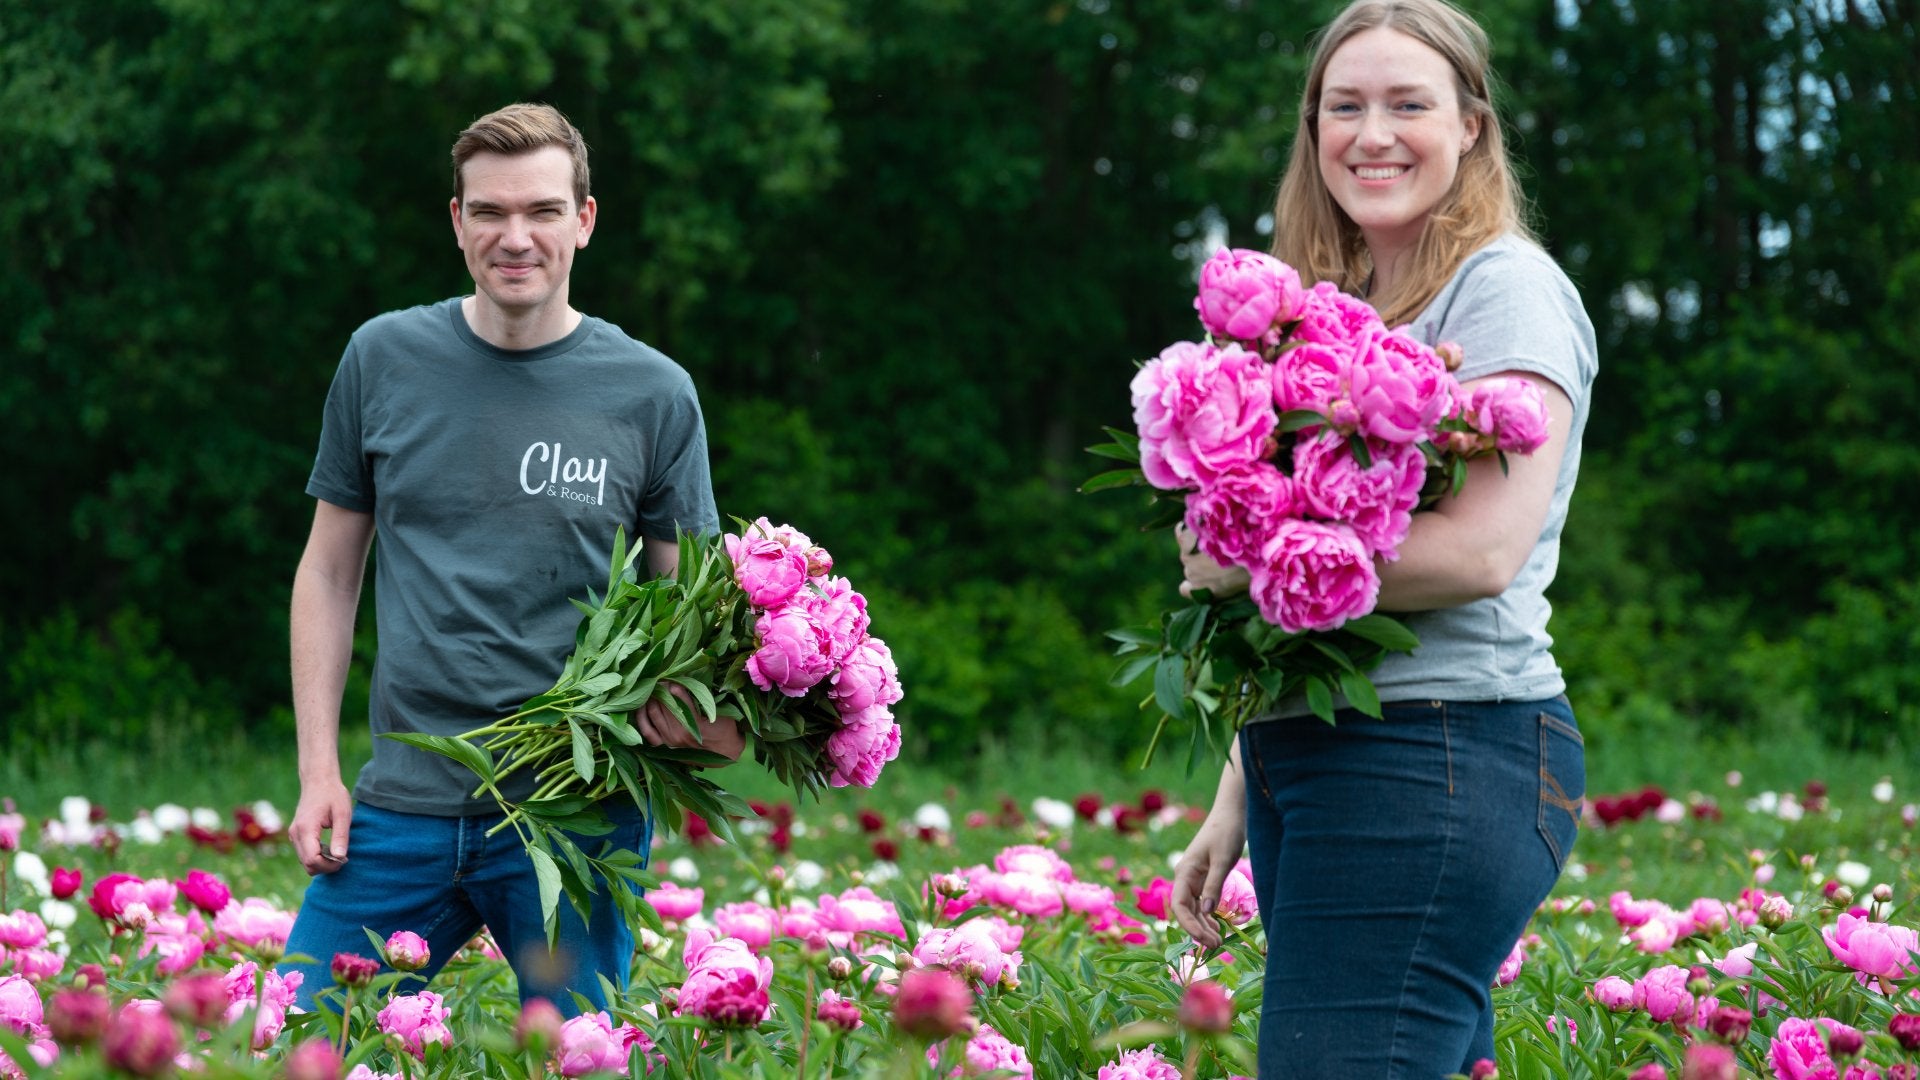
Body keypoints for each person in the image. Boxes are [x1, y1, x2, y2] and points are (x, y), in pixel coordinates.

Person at [1167, 1, 1597, 1075]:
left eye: (1410, 104)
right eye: (1343, 106)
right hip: (1331, 750)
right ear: (1312, 130)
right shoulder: (1340, 305)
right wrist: (1239, 780)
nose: (1373, 134)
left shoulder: (1502, 290)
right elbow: (1312, 592)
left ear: (1472, 128)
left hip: (1439, 752)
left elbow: (1479, 554)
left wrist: (1245, 566)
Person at [283, 102, 744, 1015]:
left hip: (574, 819)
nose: (515, 237)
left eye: (540, 210)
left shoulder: (652, 394)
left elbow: (693, 605)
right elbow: (329, 573)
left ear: (585, 219)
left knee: (579, 1061)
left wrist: (703, 707)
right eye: (489, 212)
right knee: (298, 1036)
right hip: (399, 807)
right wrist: (317, 771)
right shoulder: (383, 359)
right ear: (458, 223)